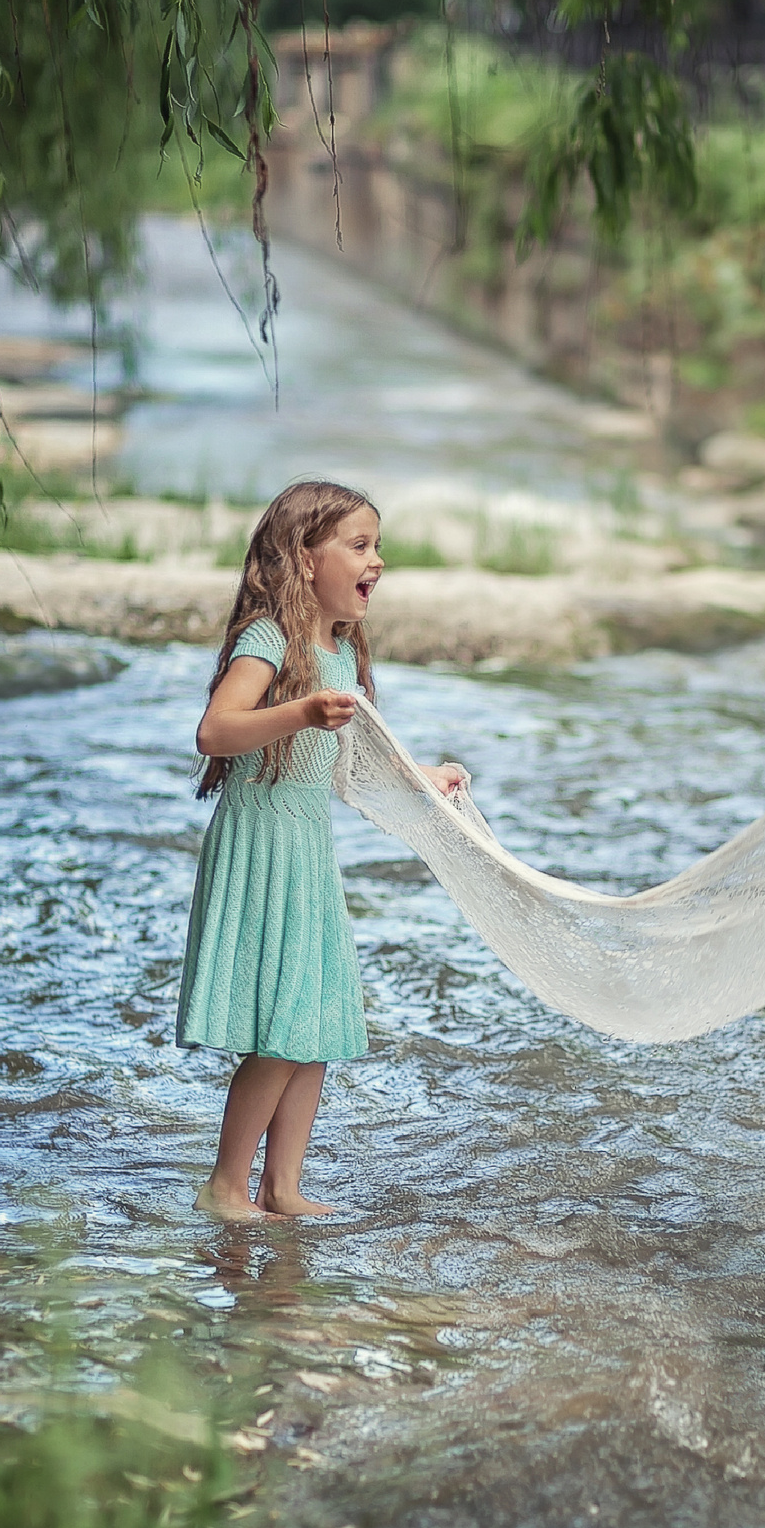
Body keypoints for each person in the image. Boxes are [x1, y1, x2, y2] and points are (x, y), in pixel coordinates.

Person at [179, 480, 466, 1220]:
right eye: (360, 545)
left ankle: (282, 1186)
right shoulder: (270, 639)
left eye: (378, 546)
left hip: (307, 850)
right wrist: (300, 711)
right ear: (305, 559)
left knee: (314, 1023)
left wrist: (422, 778)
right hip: (261, 845)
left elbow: (344, 769)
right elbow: (215, 731)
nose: (378, 560)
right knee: (281, 1024)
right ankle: (224, 1186)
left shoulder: (340, 654)